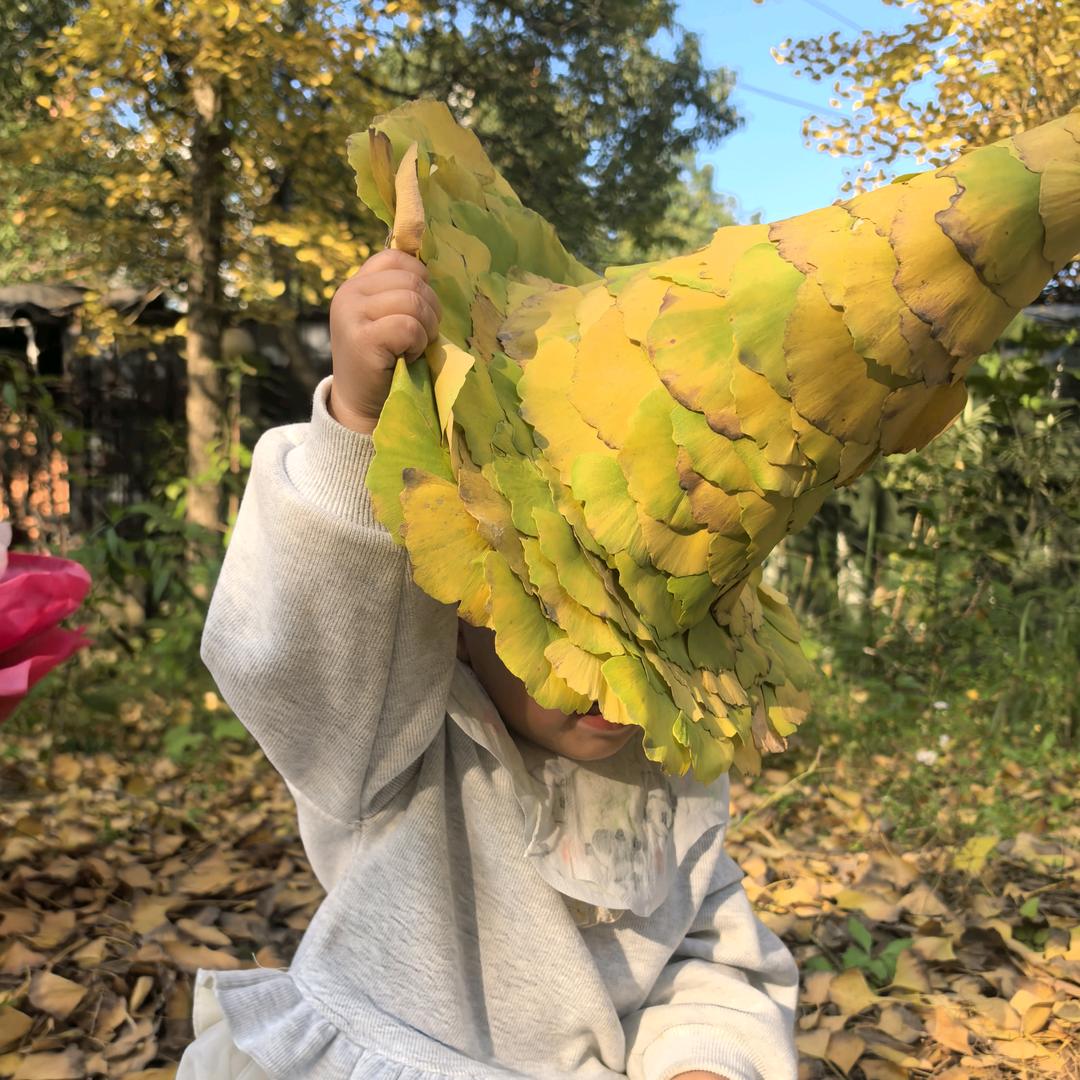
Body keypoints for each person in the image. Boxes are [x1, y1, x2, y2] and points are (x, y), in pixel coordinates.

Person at [175, 249, 800, 1080]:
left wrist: (705, 1058)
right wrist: (362, 432)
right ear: (461, 614)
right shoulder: (391, 734)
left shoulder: (666, 765)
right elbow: (314, 668)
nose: (609, 674)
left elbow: (700, 952)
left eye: (654, 635)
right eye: (556, 619)